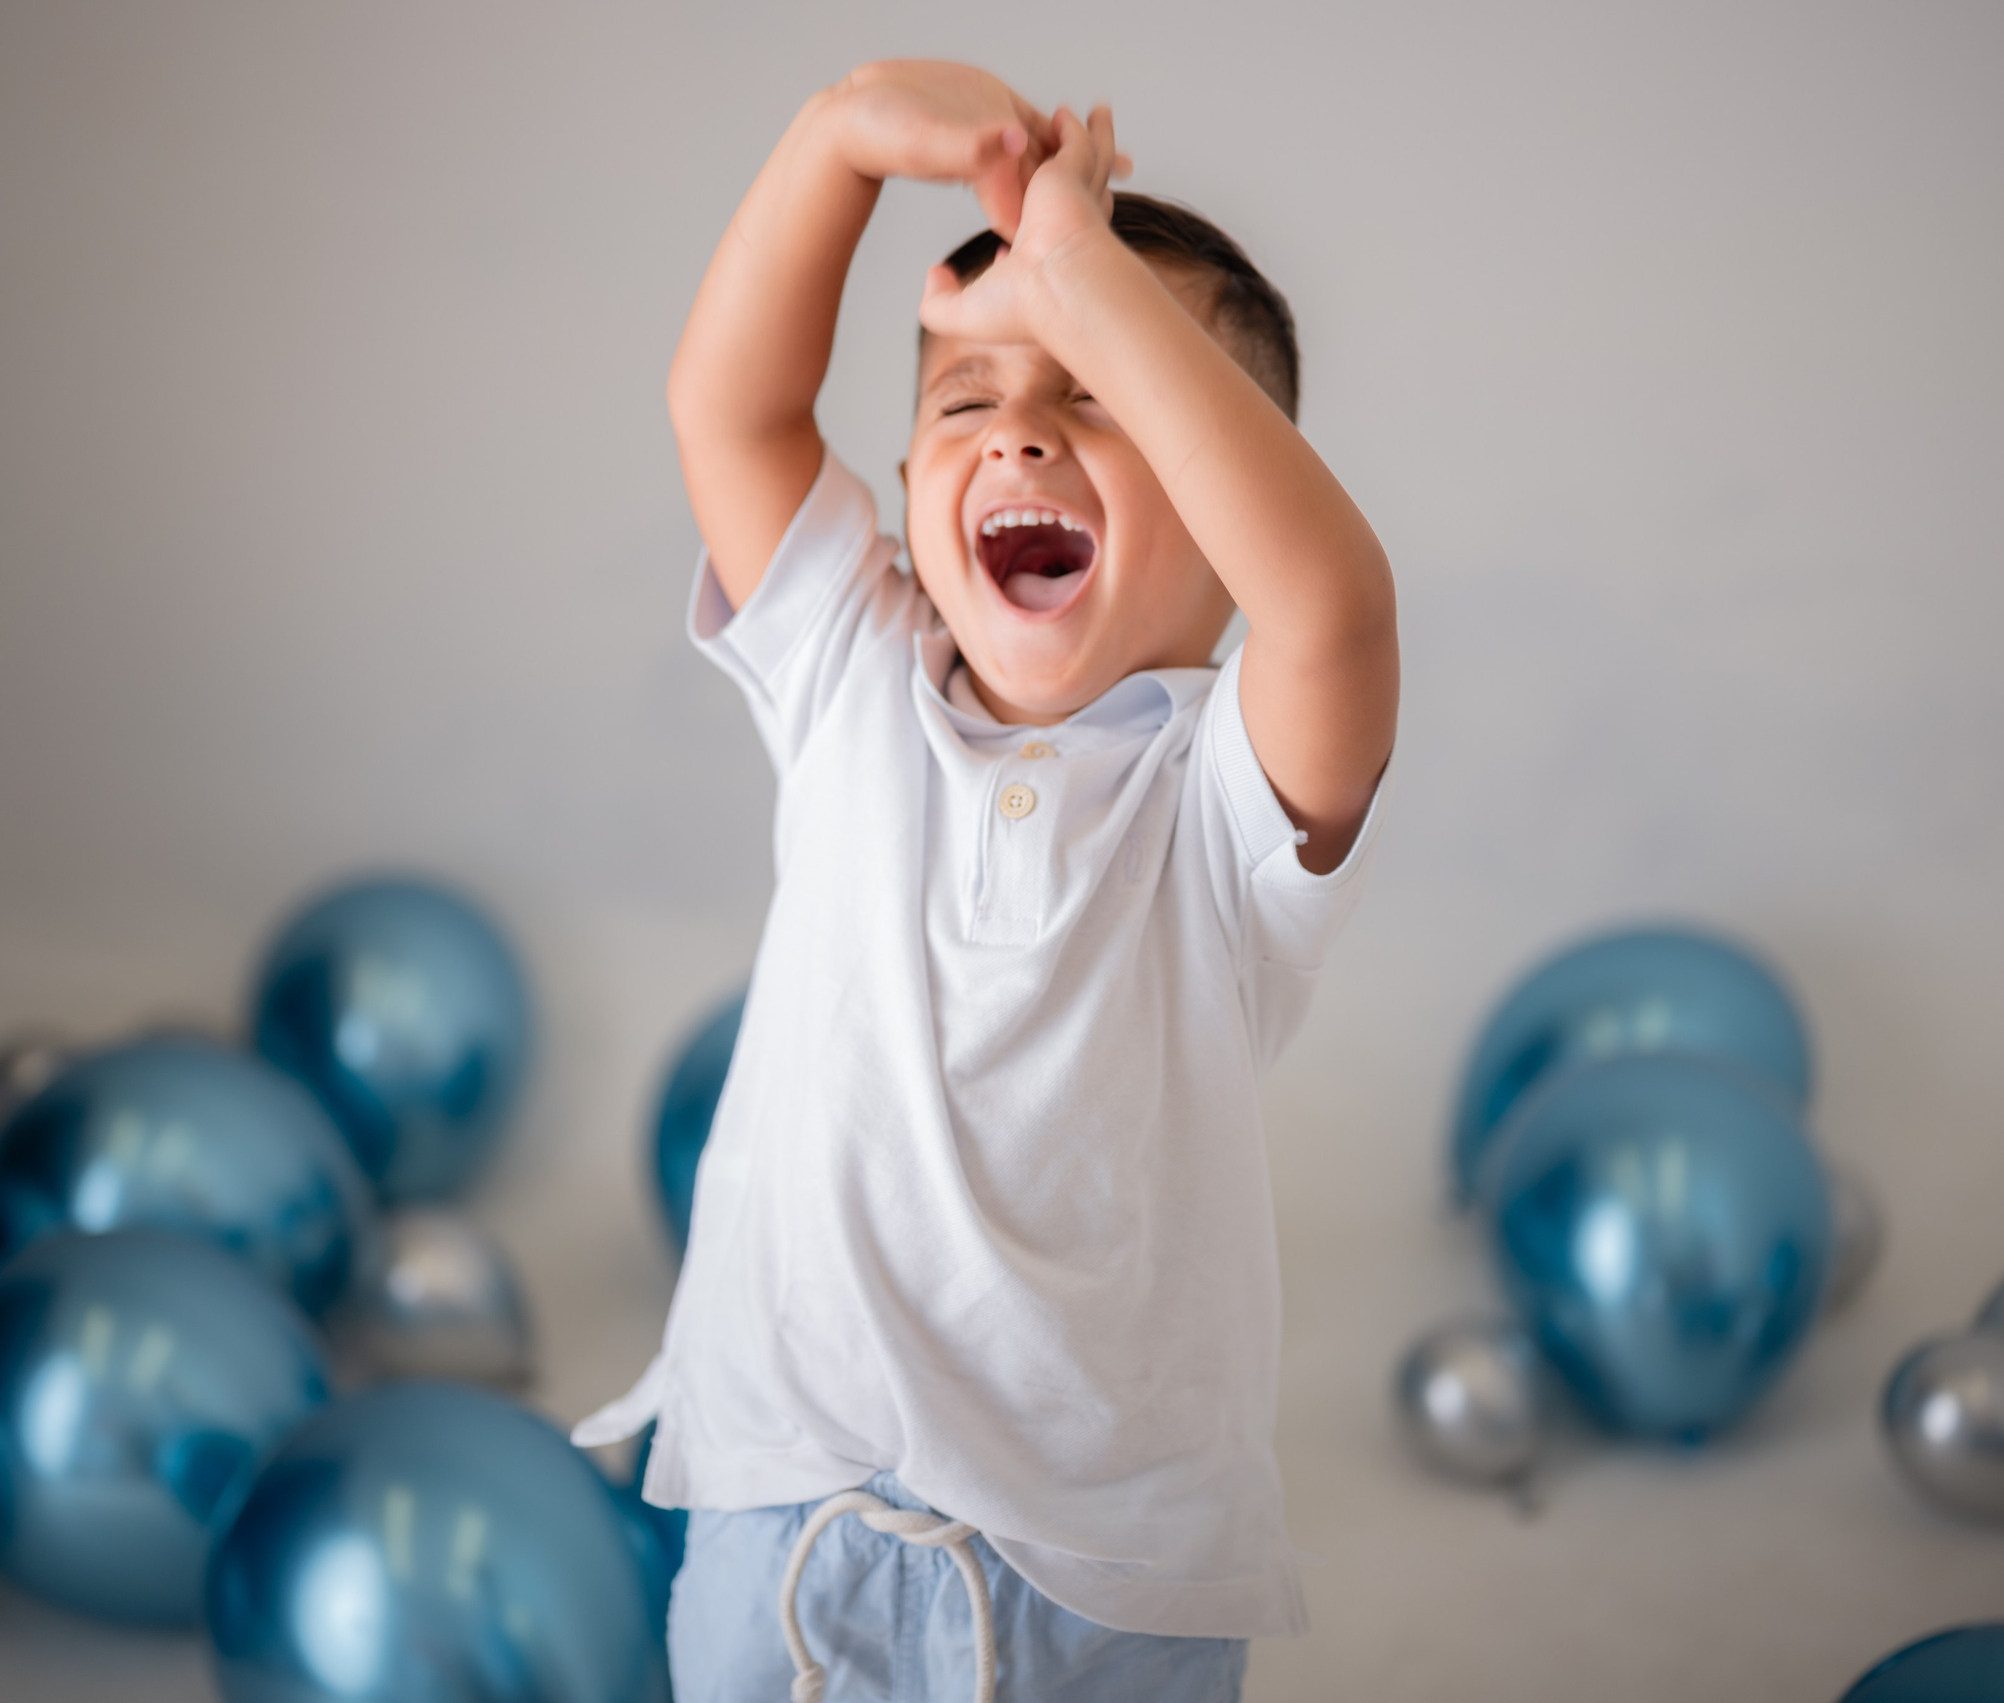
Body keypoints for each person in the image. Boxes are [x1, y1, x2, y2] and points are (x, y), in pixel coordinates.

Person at [576, 59, 1399, 1703]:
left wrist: (1083, 269)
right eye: (967, 400)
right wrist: (837, 144)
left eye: (1096, 386)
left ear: (1225, 499)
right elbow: (728, 410)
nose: (1021, 422)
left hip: (1105, 1582)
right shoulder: (848, 671)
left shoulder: (1221, 793)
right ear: (911, 480)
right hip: (782, 1514)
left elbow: (1329, 604)